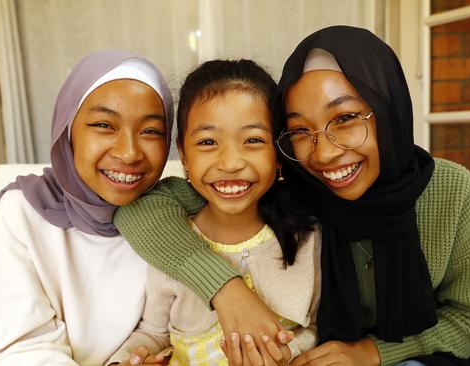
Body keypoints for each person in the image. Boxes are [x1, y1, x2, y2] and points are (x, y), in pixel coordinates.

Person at [113, 26, 470, 366]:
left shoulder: (449, 190)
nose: (324, 152)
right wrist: (226, 289)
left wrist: (372, 353)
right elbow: (137, 210)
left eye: (346, 119)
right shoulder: (292, 185)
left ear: (387, 108)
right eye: (301, 131)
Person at [0, 50, 177, 365]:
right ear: (68, 131)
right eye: (104, 125)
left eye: (150, 131)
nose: (129, 153)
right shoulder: (24, 213)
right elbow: (13, 350)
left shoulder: (167, 218)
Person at [108, 59, 320, 366]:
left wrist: (288, 351)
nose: (231, 162)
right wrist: (127, 360)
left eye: (253, 140)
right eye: (208, 142)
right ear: (184, 155)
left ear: (278, 152)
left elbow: (317, 327)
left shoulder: (307, 236)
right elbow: (153, 332)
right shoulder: (172, 242)